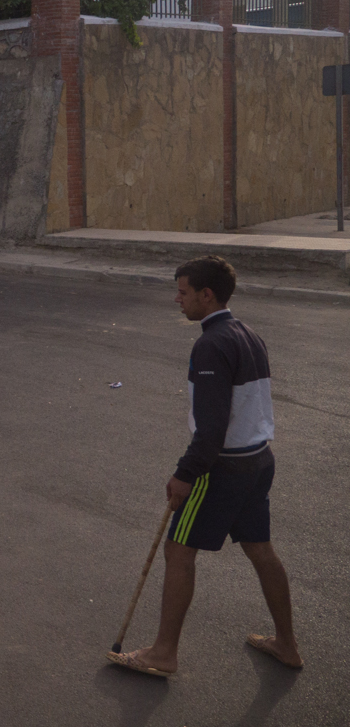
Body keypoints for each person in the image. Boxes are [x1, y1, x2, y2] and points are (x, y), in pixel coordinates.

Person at [110, 255, 303, 677]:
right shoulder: (248, 333)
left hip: (224, 467)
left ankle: (162, 653)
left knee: (178, 550)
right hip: (258, 460)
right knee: (260, 549)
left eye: (183, 292)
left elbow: (212, 427)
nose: (177, 300)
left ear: (206, 294)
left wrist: (185, 473)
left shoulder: (211, 344)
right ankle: (287, 645)